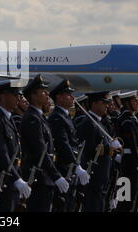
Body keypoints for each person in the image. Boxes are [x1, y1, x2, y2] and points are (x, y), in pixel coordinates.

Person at [20, 75, 69, 212]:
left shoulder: (39, 117)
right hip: (38, 177)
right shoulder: (32, 118)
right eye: (42, 91)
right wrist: (56, 176)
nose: (47, 94)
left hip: (44, 176)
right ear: (33, 96)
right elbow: (40, 151)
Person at [0, 80, 31, 212]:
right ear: (4, 96)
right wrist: (17, 179)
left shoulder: (8, 117)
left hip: (11, 179)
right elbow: (1, 153)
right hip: (2, 180)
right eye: (15, 95)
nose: (18, 99)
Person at [47, 80, 90, 211]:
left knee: (70, 205)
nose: (72, 97)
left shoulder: (65, 116)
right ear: (59, 98)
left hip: (70, 168)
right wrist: (76, 166)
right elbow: (62, 144)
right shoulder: (57, 117)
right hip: (64, 168)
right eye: (68, 95)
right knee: (62, 205)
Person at [77, 91, 122, 212]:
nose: (107, 105)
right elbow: (88, 150)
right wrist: (109, 149)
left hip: (101, 176)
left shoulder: (99, 123)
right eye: (104, 102)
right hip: (94, 176)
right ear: (94, 103)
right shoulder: (89, 123)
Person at [115, 91, 138, 212]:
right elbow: (131, 143)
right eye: (135, 101)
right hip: (129, 164)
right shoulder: (126, 120)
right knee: (125, 199)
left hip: (133, 163)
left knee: (131, 198)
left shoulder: (132, 119)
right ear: (127, 103)